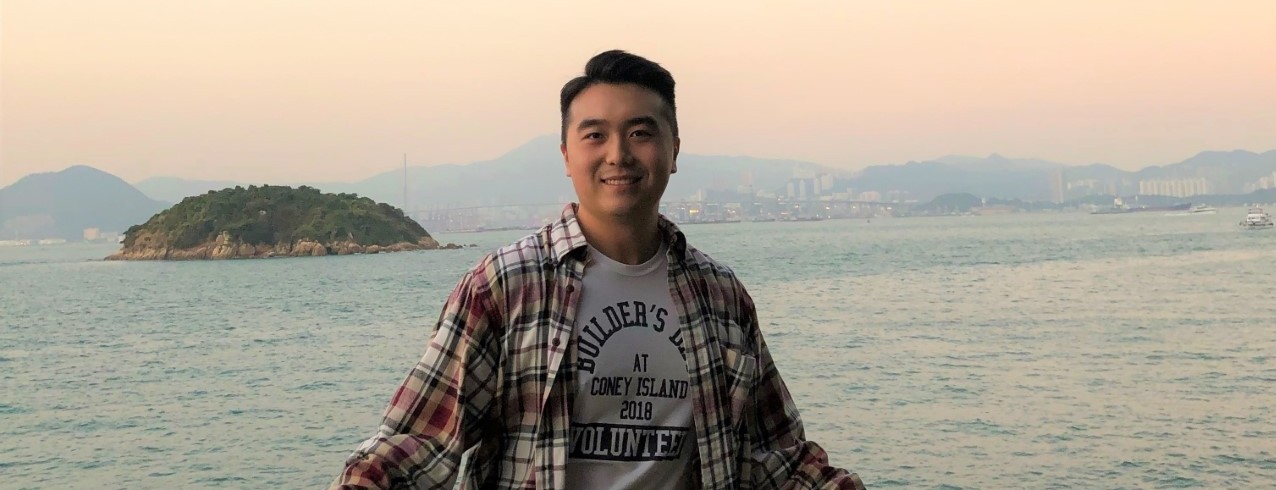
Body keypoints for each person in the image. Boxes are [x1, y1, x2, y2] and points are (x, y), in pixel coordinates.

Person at [330, 49, 866, 490]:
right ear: (566, 155)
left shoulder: (721, 297)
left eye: (640, 133)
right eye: (595, 135)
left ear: (674, 150)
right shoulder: (507, 286)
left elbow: (776, 455)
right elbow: (418, 443)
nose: (618, 155)